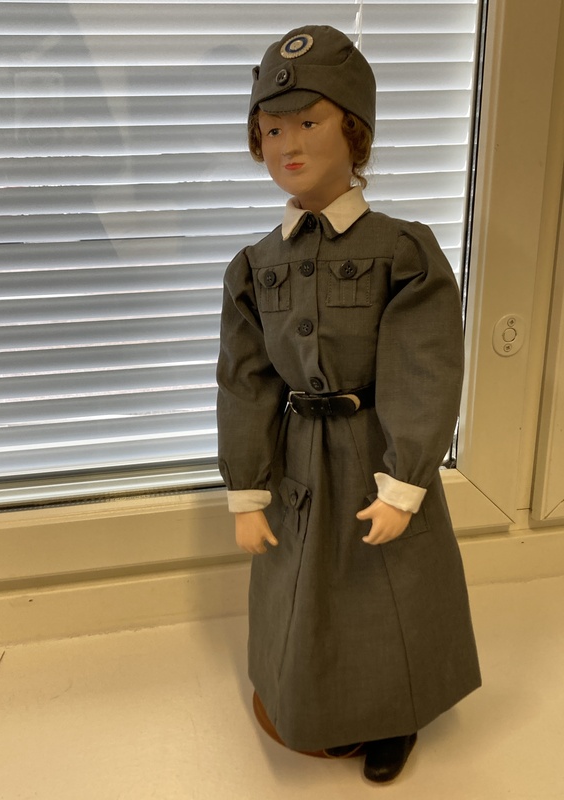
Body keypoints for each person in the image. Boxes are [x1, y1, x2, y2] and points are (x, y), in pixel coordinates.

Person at [216, 25, 481, 784]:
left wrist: (405, 480)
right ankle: (302, 699)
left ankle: (395, 714)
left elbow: (423, 366)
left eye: (309, 121)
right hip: (298, 459)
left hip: (374, 452)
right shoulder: (256, 266)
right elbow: (245, 380)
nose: (288, 144)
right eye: (272, 129)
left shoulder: (401, 251)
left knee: (387, 590)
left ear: (354, 130)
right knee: (297, 590)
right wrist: (246, 487)